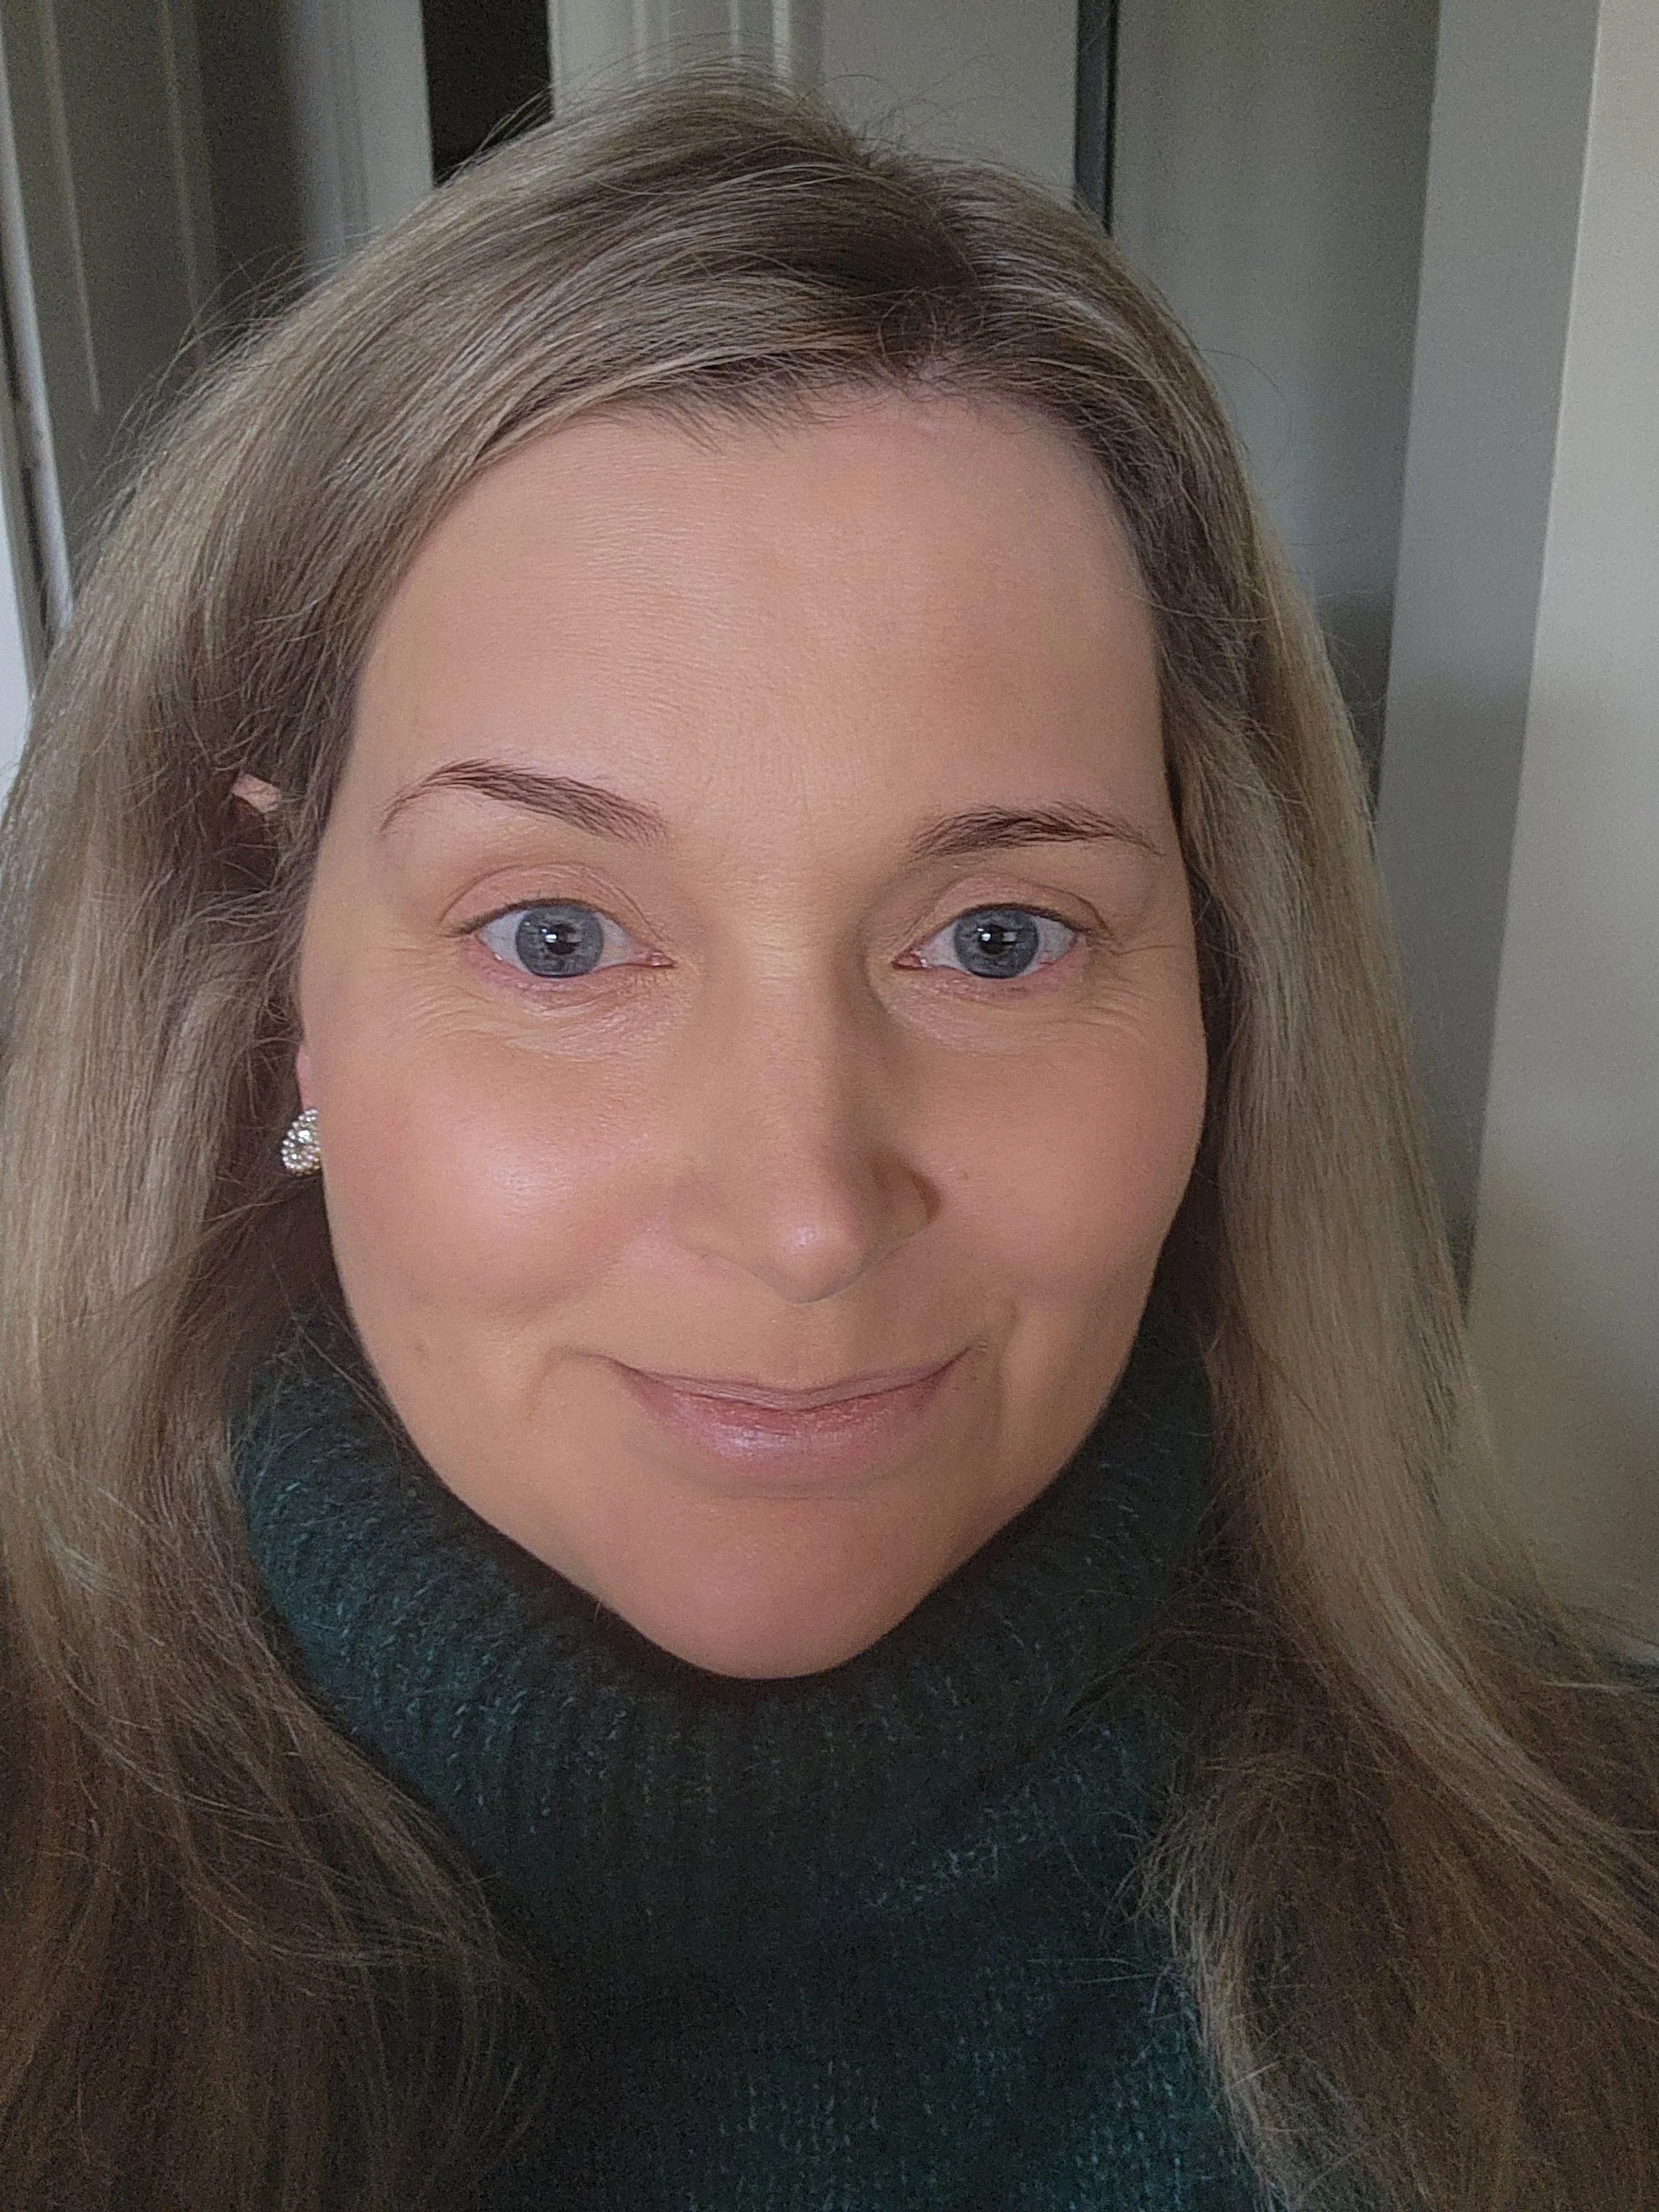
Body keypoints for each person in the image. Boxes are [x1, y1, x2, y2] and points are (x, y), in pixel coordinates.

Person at [0, 64, 1653, 2212]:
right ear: (273, 994)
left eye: (992, 935)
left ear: (1225, 997)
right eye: (560, 933)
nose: (799, 1213)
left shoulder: (1598, 1929)